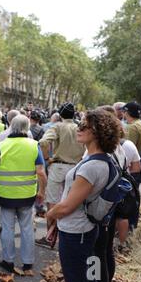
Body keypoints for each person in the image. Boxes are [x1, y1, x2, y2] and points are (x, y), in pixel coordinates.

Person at [46, 109, 122, 282]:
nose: (78, 129)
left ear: (97, 131)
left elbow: (66, 207)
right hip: (86, 230)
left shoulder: (92, 167)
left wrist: (49, 215)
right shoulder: (100, 159)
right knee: (90, 279)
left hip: (75, 234)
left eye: (83, 126)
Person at [0, 115, 47, 276]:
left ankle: (8, 261)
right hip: (27, 195)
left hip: (5, 193)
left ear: (10, 126)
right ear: (27, 128)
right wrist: (42, 192)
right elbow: (41, 173)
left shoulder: (0, 146)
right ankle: (28, 263)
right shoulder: (34, 145)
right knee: (27, 228)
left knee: (7, 227)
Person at [36, 103, 85, 248]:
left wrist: (46, 158)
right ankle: (64, 237)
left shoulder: (57, 126)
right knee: (70, 203)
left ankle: (50, 237)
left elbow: (43, 142)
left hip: (58, 166)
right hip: (76, 168)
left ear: (61, 114)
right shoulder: (79, 128)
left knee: (52, 201)